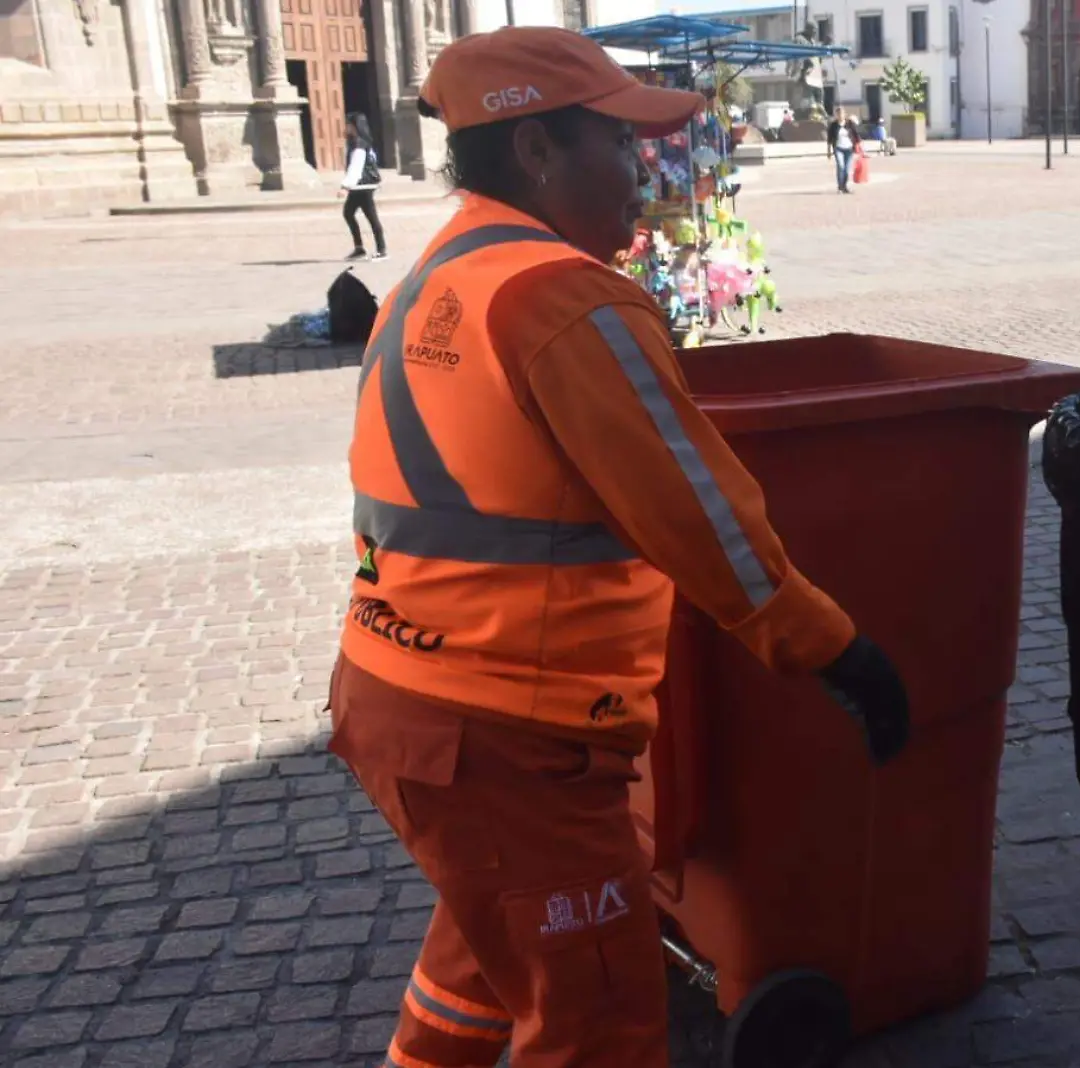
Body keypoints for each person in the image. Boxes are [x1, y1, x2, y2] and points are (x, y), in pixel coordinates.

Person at [330, 27, 911, 1068]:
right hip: (509, 731)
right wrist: (833, 648)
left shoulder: (439, 273)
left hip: (400, 697)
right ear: (539, 152)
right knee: (598, 1022)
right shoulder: (563, 296)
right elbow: (701, 518)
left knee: (483, 957)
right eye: (617, 143)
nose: (642, 169)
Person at [339, 112, 386, 261]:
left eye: (348, 124)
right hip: (362, 185)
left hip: (362, 186)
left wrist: (345, 186)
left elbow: (356, 167)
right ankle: (359, 248)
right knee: (348, 213)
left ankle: (381, 250)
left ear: (354, 126)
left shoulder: (359, 145)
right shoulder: (362, 142)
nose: (345, 127)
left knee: (371, 217)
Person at [826, 108, 860, 193]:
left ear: (844, 114)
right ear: (836, 115)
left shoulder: (849, 124)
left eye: (841, 114)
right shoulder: (833, 125)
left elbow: (856, 135)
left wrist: (859, 147)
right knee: (841, 166)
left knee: (846, 169)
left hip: (849, 149)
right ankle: (840, 187)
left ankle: (844, 186)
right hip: (838, 148)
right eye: (838, 114)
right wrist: (829, 151)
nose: (840, 116)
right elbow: (829, 139)